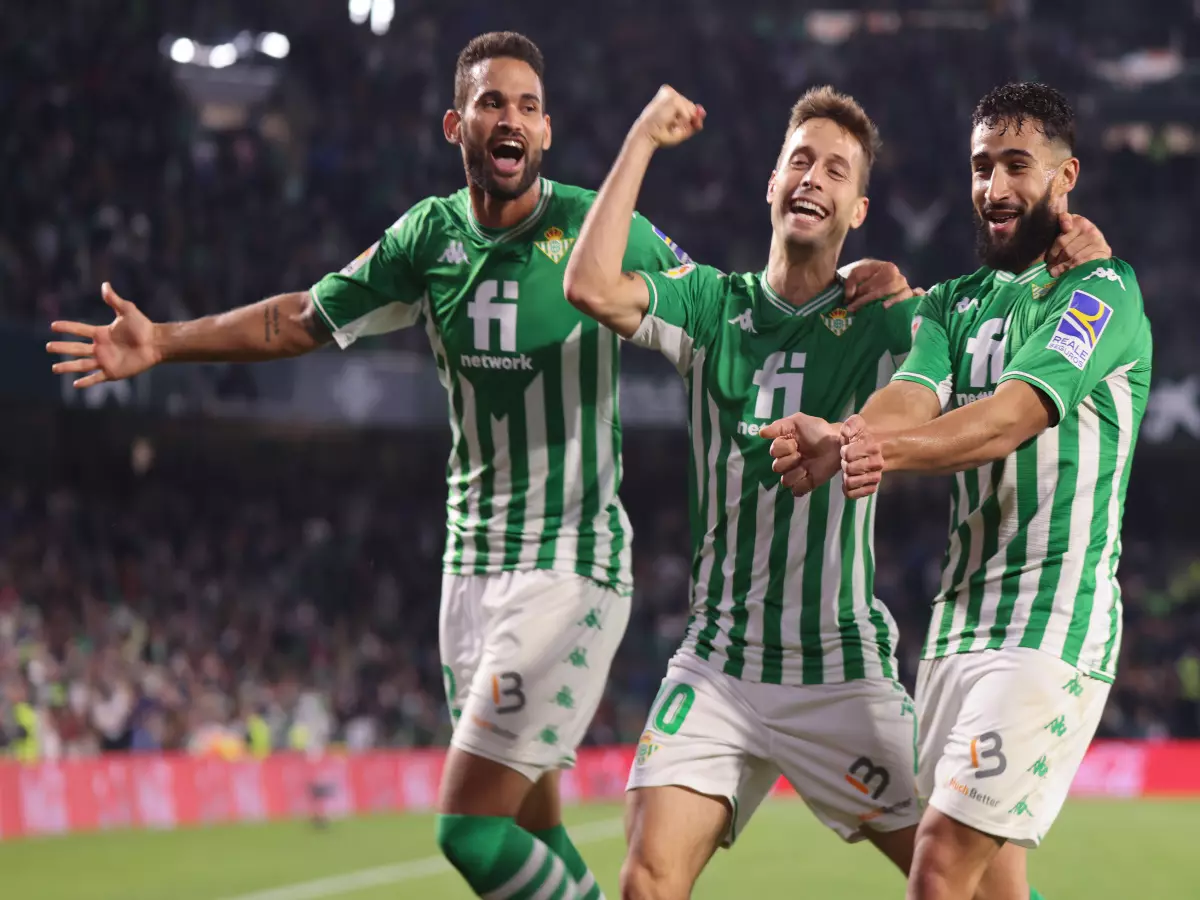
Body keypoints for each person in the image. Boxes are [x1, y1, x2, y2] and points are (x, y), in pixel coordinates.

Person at [46, 31, 689, 900]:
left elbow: (721, 309)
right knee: (531, 825)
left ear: (547, 133)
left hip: (569, 566)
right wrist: (164, 340)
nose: (512, 119)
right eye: (492, 103)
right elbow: (300, 319)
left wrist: (834, 300)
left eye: (529, 107)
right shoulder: (429, 237)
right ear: (455, 125)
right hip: (469, 572)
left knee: (468, 830)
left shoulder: (598, 223)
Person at [562, 83, 1110, 900]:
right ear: (773, 185)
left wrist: (1078, 257)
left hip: (841, 670)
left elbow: (982, 320)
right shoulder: (712, 305)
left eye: (836, 170)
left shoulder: (896, 320)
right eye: (799, 161)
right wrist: (642, 137)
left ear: (858, 210)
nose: (813, 178)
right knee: (644, 882)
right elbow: (592, 284)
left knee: (977, 881)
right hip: (715, 665)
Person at [767, 82, 1148, 900]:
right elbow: (911, 393)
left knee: (936, 871)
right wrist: (845, 435)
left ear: (1065, 175)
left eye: (1018, 165)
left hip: (1050, 625)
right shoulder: (951, 304)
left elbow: (1009, 418)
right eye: (982, 167)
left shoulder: (1102, 292)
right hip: (957, 631)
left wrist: (877, 450)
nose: (995, 187)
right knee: (988, 890)